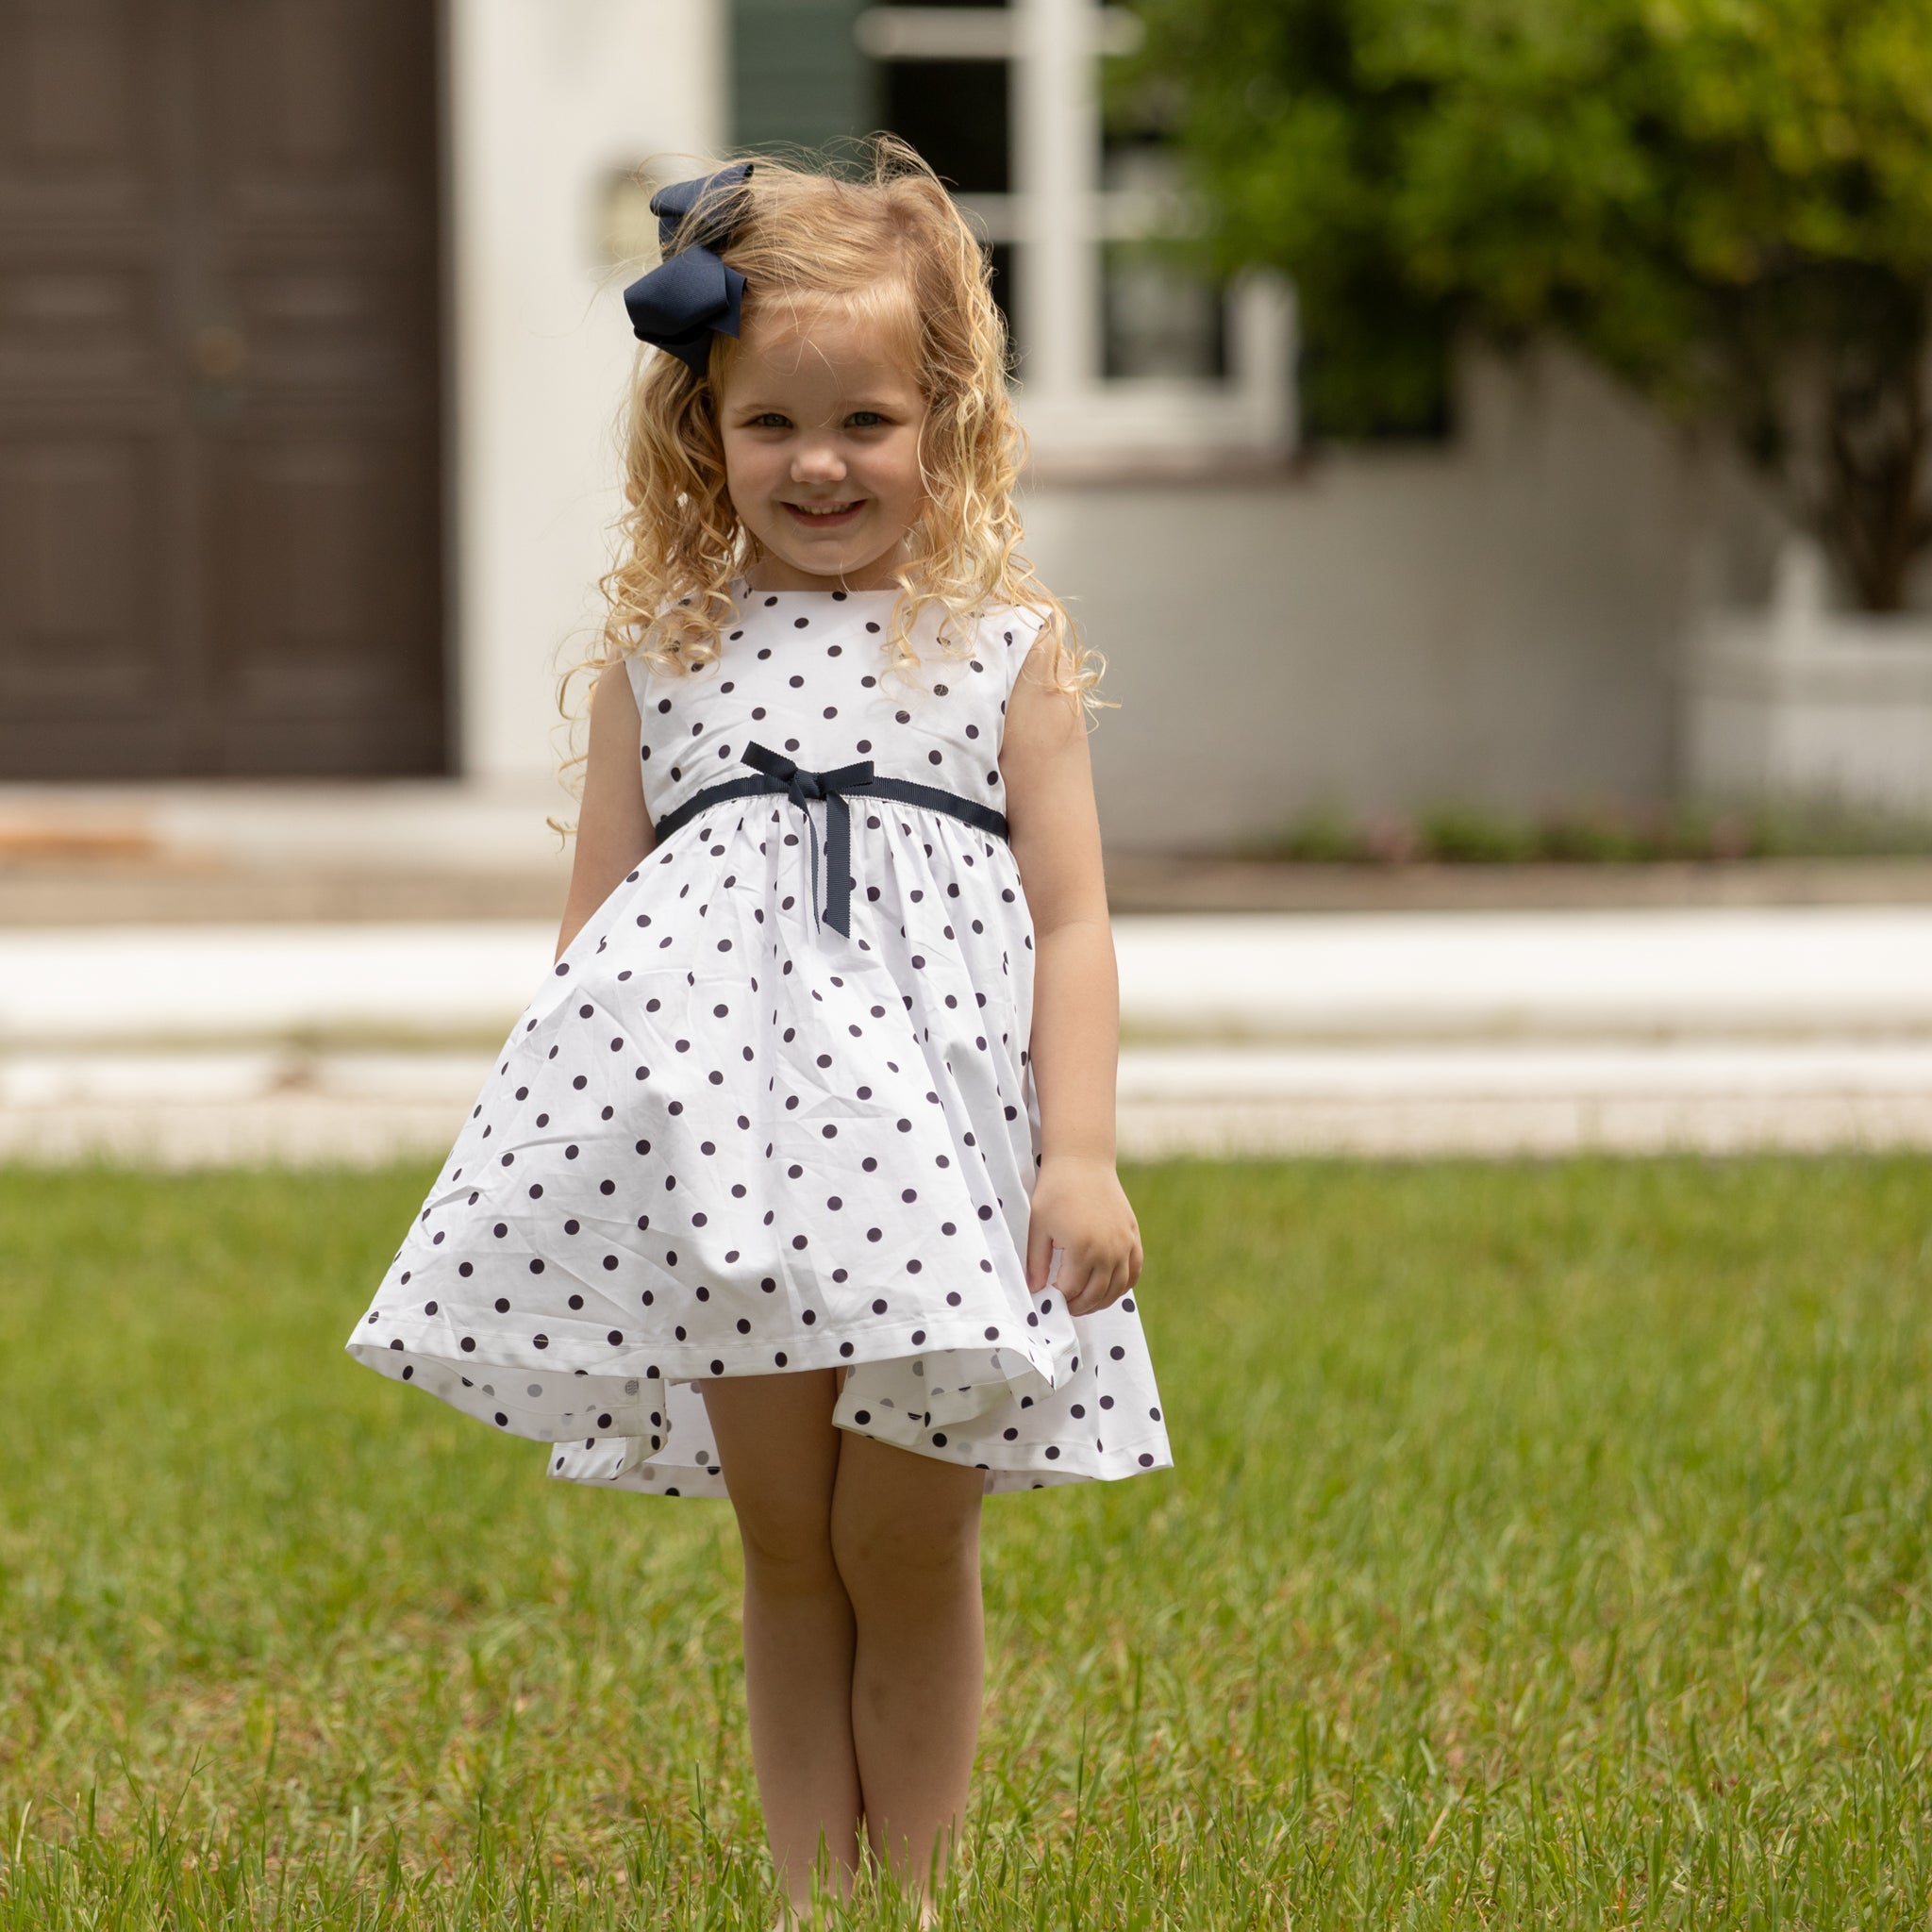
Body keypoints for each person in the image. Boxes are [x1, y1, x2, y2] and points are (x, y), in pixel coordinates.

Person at [344, 138, 1171, 1927]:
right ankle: (812, 1902)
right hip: (734, 1182)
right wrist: (578, 1173)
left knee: (909, 1540)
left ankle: (918, 1899)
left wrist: (1083, 1151)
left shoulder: (996, 648)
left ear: (945, 418)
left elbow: (1076, 919)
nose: (818, 464)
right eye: (770, 424)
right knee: (790, 1549)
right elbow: (593, 946)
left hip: (947, 1174)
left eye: (866, 420)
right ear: (700, 436)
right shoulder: (666, 659)